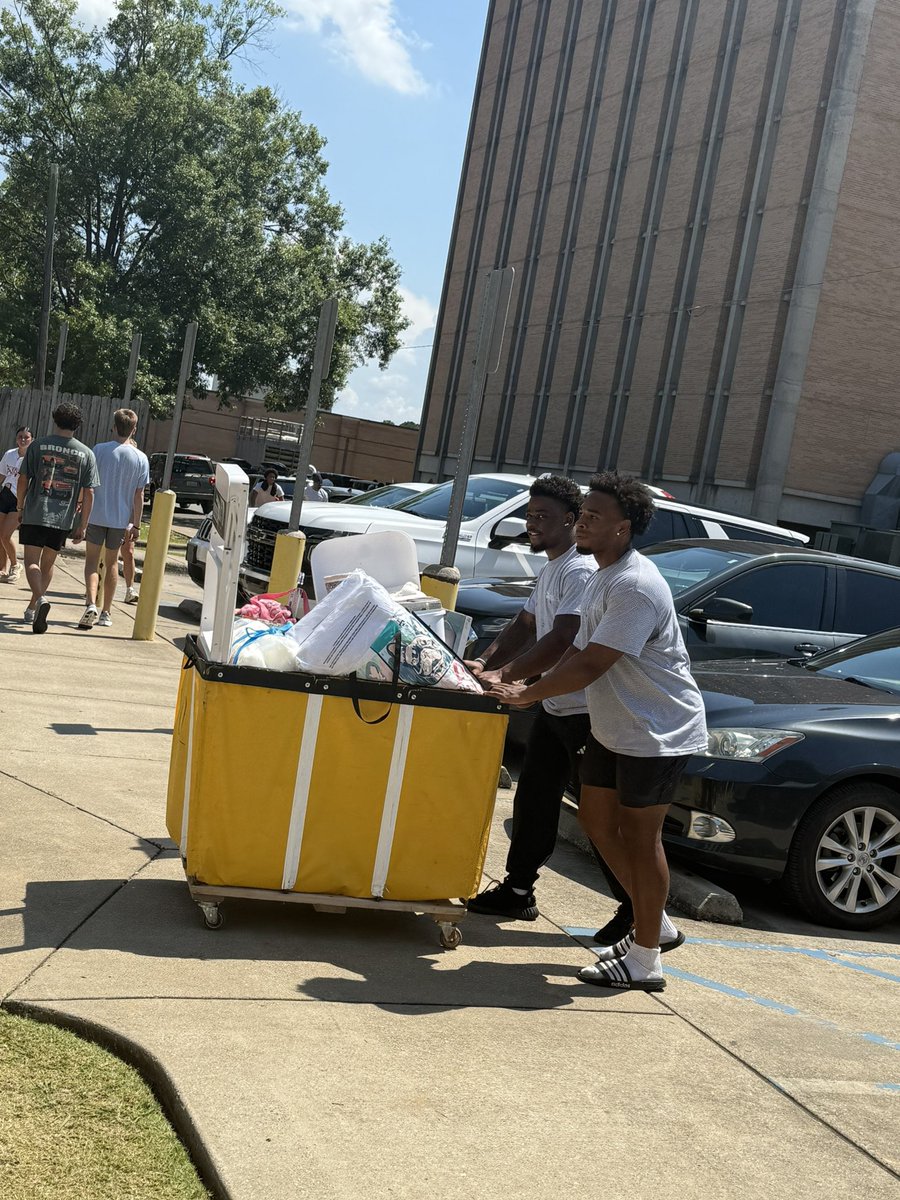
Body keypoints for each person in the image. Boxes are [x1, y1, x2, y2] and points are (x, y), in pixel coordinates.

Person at [489, 473, 708, 992]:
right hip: (616, 727)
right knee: (595, 819)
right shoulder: (601, 577)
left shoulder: (634, 585)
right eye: (583, 513)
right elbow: (573, 650)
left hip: (657, 730)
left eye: (593, 517)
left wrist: (525, 692)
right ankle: (658, 925)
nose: (582, 521)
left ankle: (646, 957)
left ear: (623, 529)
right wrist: (510, 673)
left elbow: (593, 663)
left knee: (640, 836)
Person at [466, 475, 633, 938]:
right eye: (530, 514)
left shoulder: (580, 570)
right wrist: (483, 662)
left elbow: (563, 638)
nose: (533, 523)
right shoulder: (553, 568)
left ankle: (636, 908)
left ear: (571, 520)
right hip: (554, 705)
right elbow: (525, 625)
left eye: (544, 516)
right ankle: (518, 892)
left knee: (599, 819)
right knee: (534, 799)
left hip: (586, 712)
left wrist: (509, 676)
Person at [17, 402, 99, 634]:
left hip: (35, 511)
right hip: (62, 517)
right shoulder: (86, 453)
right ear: (78, 425)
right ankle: (33, 606)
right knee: (48, 563)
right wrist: (82, 524)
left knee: (31, 561)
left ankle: (40, 600)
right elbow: (90, 492)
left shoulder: (39, 445)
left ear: (55, 420)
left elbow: (23, 478)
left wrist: (20, 505)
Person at [79, 409, 150, 629]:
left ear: (113, 426)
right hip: (120, 520)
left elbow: (87, 484)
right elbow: (139, 495)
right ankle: (106, 611)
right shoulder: (140, 458)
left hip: (96, 515)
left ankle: (91, 603)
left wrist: (80, 507)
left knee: (91, 562)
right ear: (134, 430)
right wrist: (136, 524)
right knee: (111, 564)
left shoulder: (98, 450)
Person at [0, 426, 33, 583]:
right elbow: (2, 474)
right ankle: (3, 569)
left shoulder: (33, 458)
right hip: (5, 495)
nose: (23, 439)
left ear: (31, 439)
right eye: (20, 436)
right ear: (16, 439)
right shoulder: (9, 454)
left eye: (26, 437)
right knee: (0, 535)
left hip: (19, 498)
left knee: (5, 535)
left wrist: (24, 503)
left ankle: (15, 565)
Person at [118, 435, 143, 604]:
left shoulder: (138, 470)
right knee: (105, 554)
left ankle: (129, 589)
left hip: (127, 518)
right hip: (111, 516)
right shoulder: (115, 468)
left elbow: (139, 496)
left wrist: (135, 523)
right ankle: (95, 587)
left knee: (128, 552)